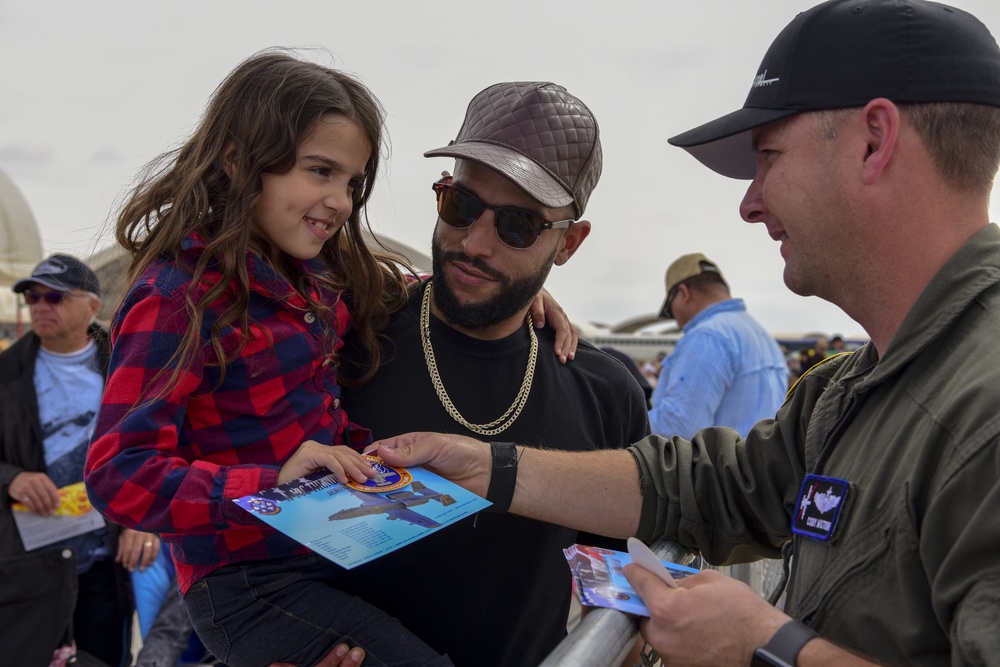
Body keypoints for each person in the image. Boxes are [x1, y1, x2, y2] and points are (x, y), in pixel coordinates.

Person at [372, 1, 1000, 664]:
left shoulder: (980, 404)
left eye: (768, 156)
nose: (749, 202)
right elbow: (713, 486)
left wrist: (768, 646)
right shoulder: (858, 388)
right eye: (461, 204)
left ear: (874, 141)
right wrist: (490, 467)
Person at [84, 51, 457, 667]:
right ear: (237, 159)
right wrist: (269, 486)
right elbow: (119, 474)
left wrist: (503, 294)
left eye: (352, 182)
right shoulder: (178, 297)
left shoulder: (322, 272)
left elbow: (402, 287)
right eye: (319, 171)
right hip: (247, 585)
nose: (339, 200)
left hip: (333, 542)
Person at [333, 81, 650, 667]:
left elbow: (614, 584)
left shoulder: (604, 392)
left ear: (568, 243)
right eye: (462, 205)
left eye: (518, 226)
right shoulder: (346, 342)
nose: (474, 243)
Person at [0, 254, 158, 667]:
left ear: (91, 306)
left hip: (105, 562)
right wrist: (12, 478)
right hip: (26, 564)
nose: (40, 306)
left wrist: (139, 523)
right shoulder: (6, 373)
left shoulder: (131, 367)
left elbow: (160, 451)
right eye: (32, 297)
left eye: (53, 296)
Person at [649, 252, 787, 439]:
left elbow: (677, 428)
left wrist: (623, 422)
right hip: (758, 463)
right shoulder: (761, 335)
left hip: (721, 467)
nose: (676, 321)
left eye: (669, 310)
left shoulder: (706, 336)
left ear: (684, 293)